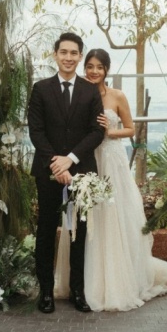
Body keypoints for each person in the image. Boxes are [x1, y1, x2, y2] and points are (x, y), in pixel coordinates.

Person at [54, 48, 167, 311]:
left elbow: (132, 128)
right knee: (84, 217)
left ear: (107, 70)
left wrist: (110, 131)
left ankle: (115, 280)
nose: (93, 71)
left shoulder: (117, 96)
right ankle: (80, 281)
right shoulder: (79, 93)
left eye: (99, 67)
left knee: (112, 215)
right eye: (90, 66)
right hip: (84, 158)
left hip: (111, 159)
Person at [28, 32, 105, 313]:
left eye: (74, 53)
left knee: (78, 232)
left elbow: (98, 131)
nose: (69, 57)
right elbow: (36, 131)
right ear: (55, 55)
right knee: (46, 230)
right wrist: (56, 164)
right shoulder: (40, 89)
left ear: (80, 56)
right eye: (64, 52)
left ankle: (77, 292)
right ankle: (46, 293)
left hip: (81, 173)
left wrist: (70, 160)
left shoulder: (90, 90)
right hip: (48, 173)